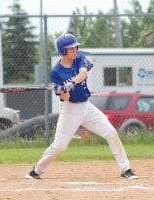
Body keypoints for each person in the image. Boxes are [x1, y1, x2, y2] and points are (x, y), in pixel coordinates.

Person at [26, 33, 138, 179]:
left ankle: (126, 169)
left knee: (111, 133)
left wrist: (71, 83)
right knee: (59, 146)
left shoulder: (79, 59)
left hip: (86, 107)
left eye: (75, 47)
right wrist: (62, 91)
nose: (75, 50)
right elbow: (65, 97)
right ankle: (37, 170)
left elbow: (83, 73)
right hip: (70, 110)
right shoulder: (56, 72)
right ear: (63, 51)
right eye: (71, 49)